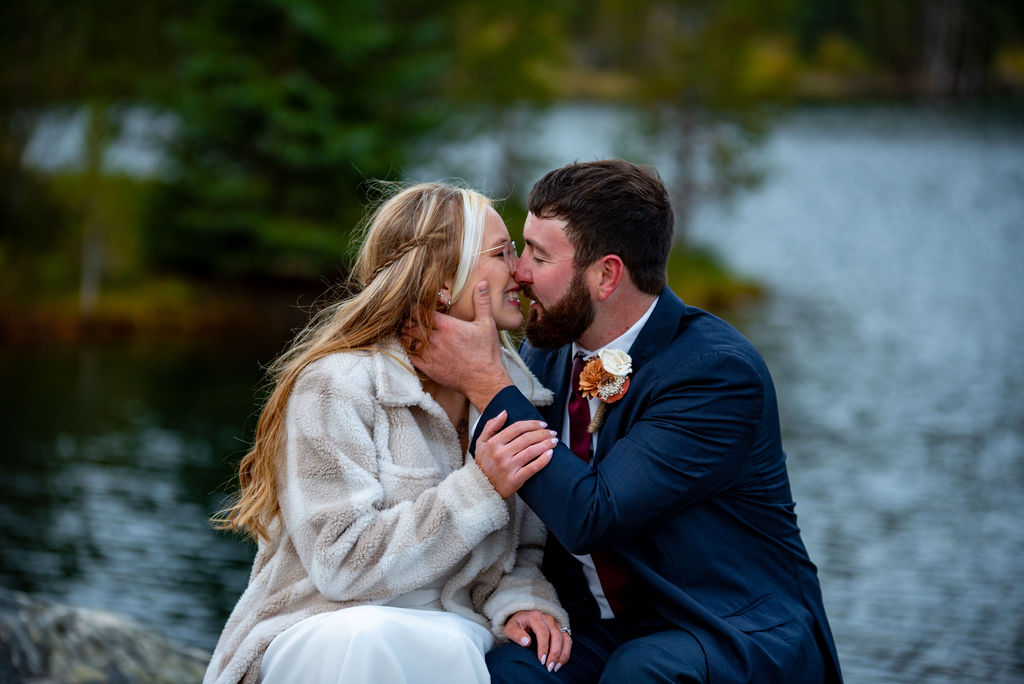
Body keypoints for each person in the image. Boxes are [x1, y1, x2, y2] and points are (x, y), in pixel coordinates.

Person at [408, 160, 843, 683]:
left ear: (607, 275)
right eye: (522, 247)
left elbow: (593, 514)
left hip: (727, 624)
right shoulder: (545, 355)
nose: (519, 272)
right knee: (511, 667)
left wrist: (484, 380)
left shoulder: (716, 374)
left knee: (643, 670)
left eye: (539, 257)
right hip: (598, 626)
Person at [204, 182, 574, 684]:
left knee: (456, 646)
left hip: (453, 632)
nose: (521, 271)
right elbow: (341, 565)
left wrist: (521, 604)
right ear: (443, 279)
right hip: (323, 628)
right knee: (371, 637)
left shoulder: (518, 395)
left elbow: (521, 555)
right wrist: (479, 488)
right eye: (502, 252)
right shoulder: (337, 386)